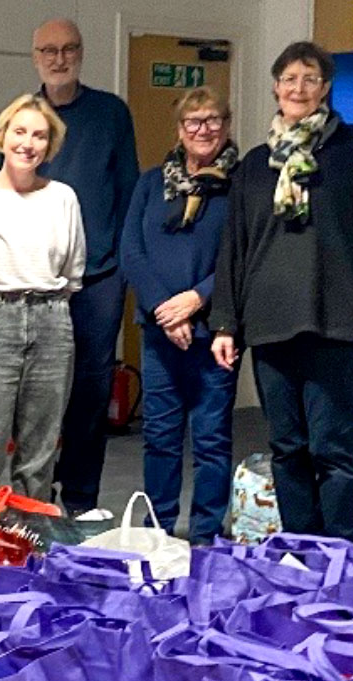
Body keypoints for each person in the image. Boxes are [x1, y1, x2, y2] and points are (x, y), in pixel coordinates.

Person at [208, 41, 353, 545]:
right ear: (275, 87)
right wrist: (226, 322)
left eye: (310, 79)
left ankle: (341, 553)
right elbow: (235, 248)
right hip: (270, 322)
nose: (299, 88)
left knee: (333, 450)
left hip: (337, 321)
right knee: (287, 447)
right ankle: (299, 551)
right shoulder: (253, 165)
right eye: (290, 78)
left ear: (326, 88)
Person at [4, 17, 139, 514]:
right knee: (33, 395)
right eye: (49, 50)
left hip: (99, 278)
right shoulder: (23, 118)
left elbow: (129, 195)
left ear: (81, 54)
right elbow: (2, 190)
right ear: (35, 56)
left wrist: (123, 271)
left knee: (88, 395)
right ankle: (30, 498)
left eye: (69, 49)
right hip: (33, 281)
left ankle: (81, 501)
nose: (59, 58)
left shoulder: (110, 113)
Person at [0, 94, 86, 500]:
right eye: (19, 131)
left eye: (39, 135)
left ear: (50, 145)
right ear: (3, 136)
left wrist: (44, 310)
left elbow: (73, 272)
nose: (28, 143)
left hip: (52, 322)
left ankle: (30, 544)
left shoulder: (63, 198)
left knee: (39, 453)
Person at [119, 87, 240, 544]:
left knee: (212, 439)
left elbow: (241, 256)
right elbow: (132, 250)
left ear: (226, 125)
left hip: (216, 332)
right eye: (193, 121)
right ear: (179, 130)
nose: (203, 129)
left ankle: (207, 533)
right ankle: (158, 531)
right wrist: (167, 312)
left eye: (212, 120)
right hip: (159, 332)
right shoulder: (152, 183)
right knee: (161, 437)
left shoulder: (241, 184)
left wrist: (196, 299)